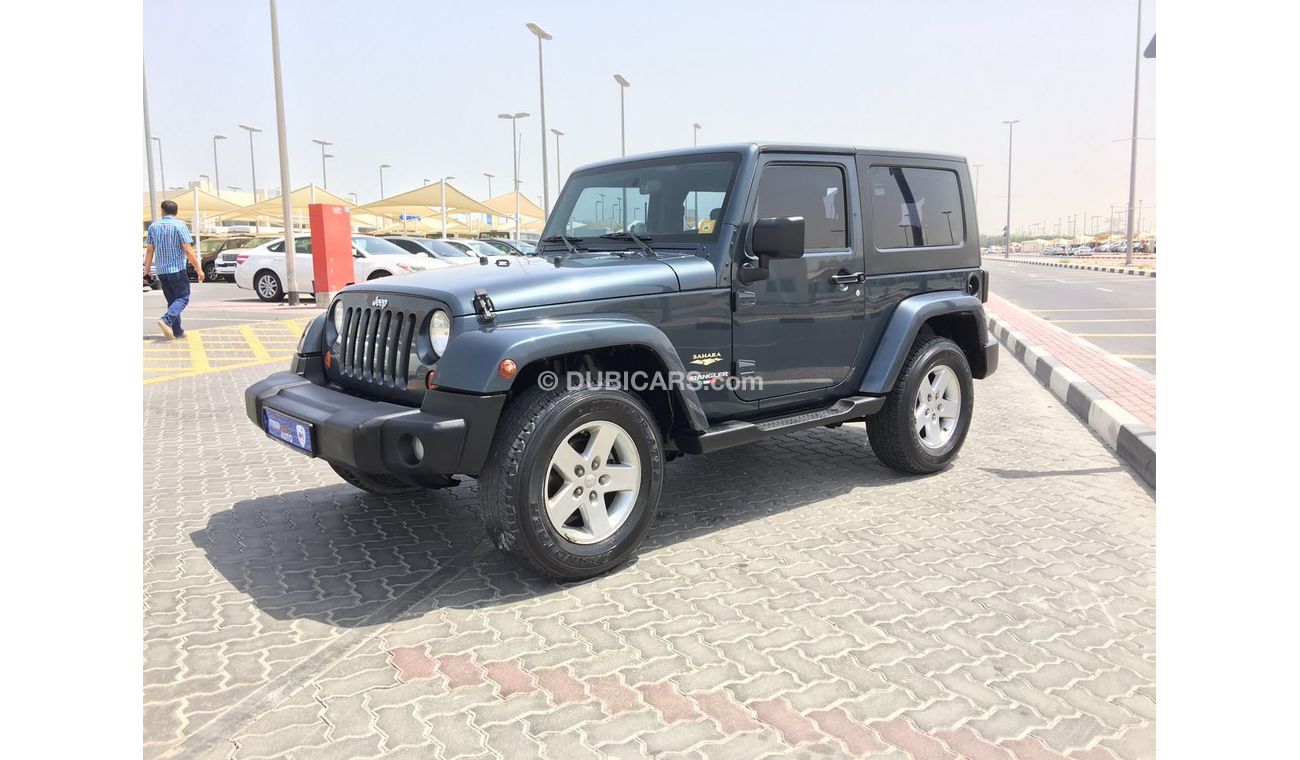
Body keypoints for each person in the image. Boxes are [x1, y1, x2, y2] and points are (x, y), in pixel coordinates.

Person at [143, 199, 203, 339]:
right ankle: (166, 320)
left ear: (162, 211)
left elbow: (150, 250)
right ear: (176, 212)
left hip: (162, 271)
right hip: (177, 270)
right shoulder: (180, 226)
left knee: (172, 301)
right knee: (183, 297)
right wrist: (198, 269)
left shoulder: (153, 227)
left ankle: (177, 331)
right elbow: (188, 249)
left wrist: (146, 271)